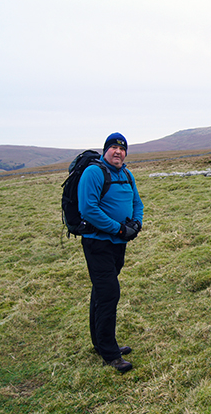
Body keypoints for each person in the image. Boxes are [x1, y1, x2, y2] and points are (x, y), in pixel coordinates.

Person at [78, 132, 144, 373]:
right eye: (114, 147)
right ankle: (110, 353)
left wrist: (136, 224)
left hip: (118, 244)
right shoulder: (94, 173)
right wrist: (118, 229)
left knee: (101, 292)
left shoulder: (127, 174)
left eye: (122, 148)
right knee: (109, 294)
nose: (118, 151)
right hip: (98, 244)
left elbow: (137, 202)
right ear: (105, 150)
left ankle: (99, 342)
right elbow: (88, 209)